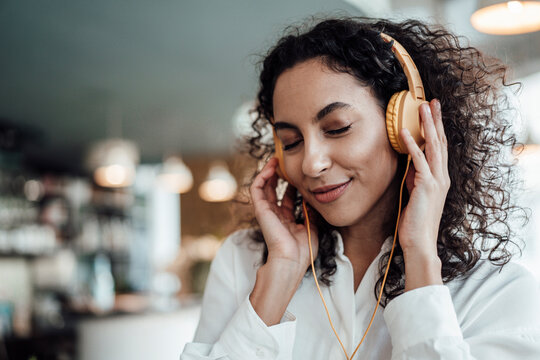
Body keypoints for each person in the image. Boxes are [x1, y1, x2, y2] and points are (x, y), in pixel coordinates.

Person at [180, 16, 540, 359]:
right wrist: (279, 276)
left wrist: (420, 258)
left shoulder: (499, 293)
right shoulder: (243, 260)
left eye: (337, 128)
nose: (310, 163)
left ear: (409, 127)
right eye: (291, 142)